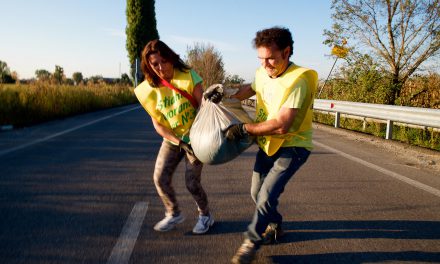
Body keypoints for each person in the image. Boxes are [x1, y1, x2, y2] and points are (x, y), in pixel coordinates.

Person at [209, 27, 318, 263]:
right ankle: (275, 223)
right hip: (268, 144)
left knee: (267, 194)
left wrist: (243, 129)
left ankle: (251, 242)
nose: (265, 64)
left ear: (287, 52)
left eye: (270, 58)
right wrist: (224, 94)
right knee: (256, 192)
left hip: (294, 145)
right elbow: (249, 89)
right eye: (261, 58)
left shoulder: (298, 80)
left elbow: (281, 126)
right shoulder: (263, 72)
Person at [134, 39, 214, 234]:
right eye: (155, 64)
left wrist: (195, 141)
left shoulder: (188, 76)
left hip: (196, 138)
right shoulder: (149, 89)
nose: (161, 67)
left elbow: (204, 109)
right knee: (160, 177)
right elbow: (158, 124)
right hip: (173, 139)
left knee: (191, 182)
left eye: (164, 61)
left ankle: (205, 215)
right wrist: (179, 142)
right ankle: (173, 213)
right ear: (149, 66)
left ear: (171, 58)